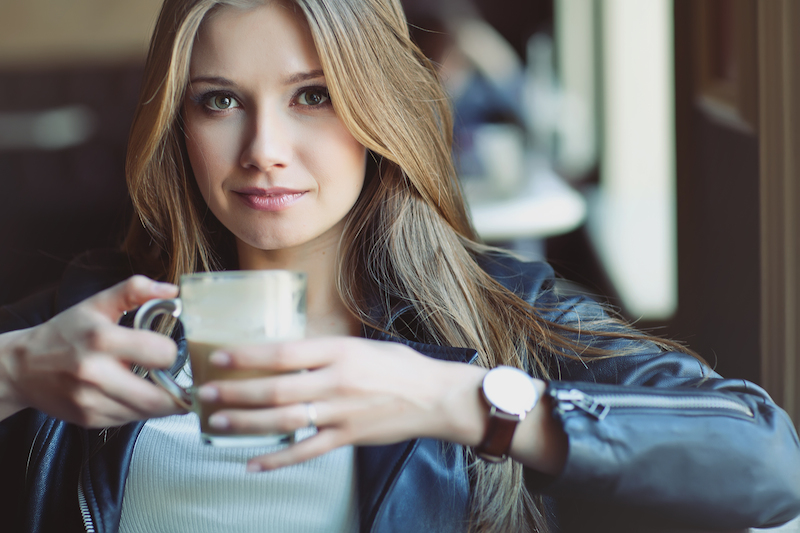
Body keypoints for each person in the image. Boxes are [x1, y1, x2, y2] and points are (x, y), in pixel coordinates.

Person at [0, 0, 798, 532]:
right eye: (220, 100)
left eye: (311, 95)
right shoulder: (91, 325)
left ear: (373, 107)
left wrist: (457, 399)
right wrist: (13, 369)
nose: (264, 152)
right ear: (178, 125)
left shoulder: (491, 317)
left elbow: (767, 461)